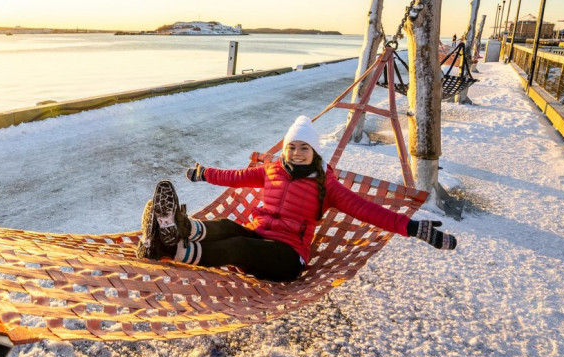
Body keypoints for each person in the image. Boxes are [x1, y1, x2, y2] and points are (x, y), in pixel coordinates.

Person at [136, 115, 456, 282]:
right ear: (285, 148)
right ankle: (176, 228)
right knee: (227, 225)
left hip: (288, 258)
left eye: (304, 148)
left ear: (314, 151)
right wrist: (204, 173)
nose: (297, 153)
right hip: (260, 239)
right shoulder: (272, 170)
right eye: (292, 147)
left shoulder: (325, 185)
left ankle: (175, 250)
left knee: (237, 246)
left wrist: (414, 229)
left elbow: (367, 210)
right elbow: (235, 177)